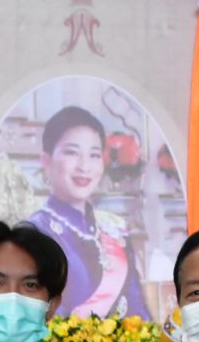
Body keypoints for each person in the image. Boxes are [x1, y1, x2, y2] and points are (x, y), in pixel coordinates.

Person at [25, 105, 149, 320]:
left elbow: (138, 311)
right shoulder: (32, 233)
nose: (85, 166)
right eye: (72, 152)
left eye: (94, 155)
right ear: (46, 160)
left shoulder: (114, 230)